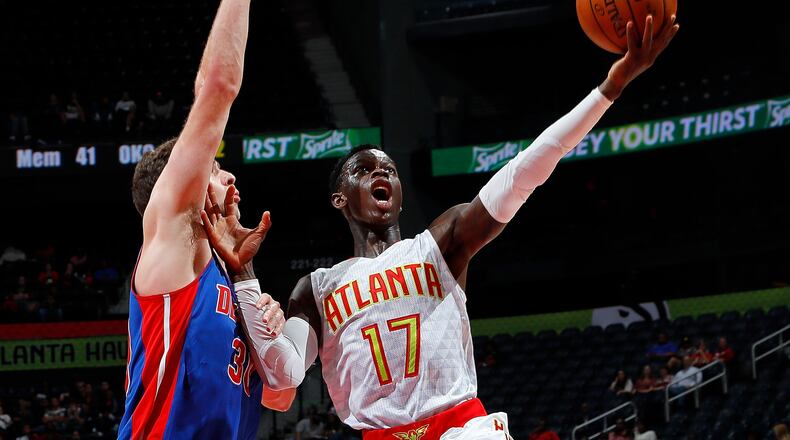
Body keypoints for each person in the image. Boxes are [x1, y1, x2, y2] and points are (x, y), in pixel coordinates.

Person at [229, 13, 679, 440]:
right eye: (364, 169)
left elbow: (524, 173)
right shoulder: (316, 289)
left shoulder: (439, 244)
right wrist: (244, 273)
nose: (381, 173)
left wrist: (609, 87)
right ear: (339, 198)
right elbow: (283, 376)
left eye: (389, 169)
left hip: (461, 428)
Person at [118, 0, 286, 438]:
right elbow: (218, 85)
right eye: (213, 168)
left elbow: (280, 396)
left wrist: (262, 316)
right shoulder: (170, 242)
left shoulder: (231, 281)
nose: (228, 173)